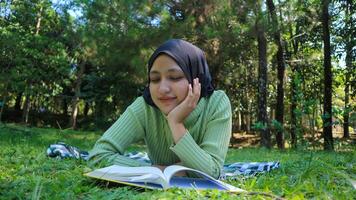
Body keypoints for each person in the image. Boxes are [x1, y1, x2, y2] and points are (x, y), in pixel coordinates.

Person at [88, 39, 232, 179]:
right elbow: (97, 156)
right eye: (155, 79)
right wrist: (158, 171)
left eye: (175, 77)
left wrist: (175, 123)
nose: (162, 89)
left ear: (196, 79)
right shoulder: (145, 106)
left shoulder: (216, 103)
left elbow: (212, 172)